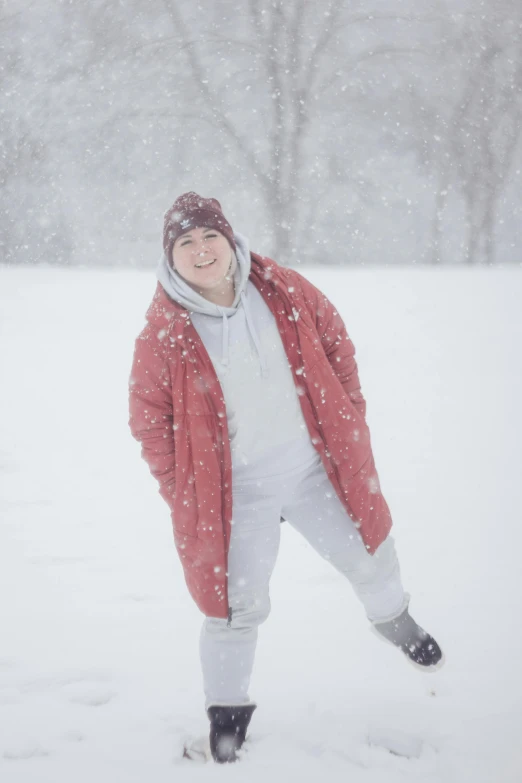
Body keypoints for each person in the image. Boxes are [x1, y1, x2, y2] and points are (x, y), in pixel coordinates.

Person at [128, 192, 444, 764]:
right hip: (234, 495)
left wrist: (348, 415)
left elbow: (337, 347)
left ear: (230, 240)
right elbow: (149, 419)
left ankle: (397, 623)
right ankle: (226, 721)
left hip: (312, 469)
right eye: (186, 244)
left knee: (370, 553)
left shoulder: (284, 292)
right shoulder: (165, 333)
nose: (201, 251)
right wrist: (185, 488)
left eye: (210, 238)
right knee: (233, 606)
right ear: (170, 258)